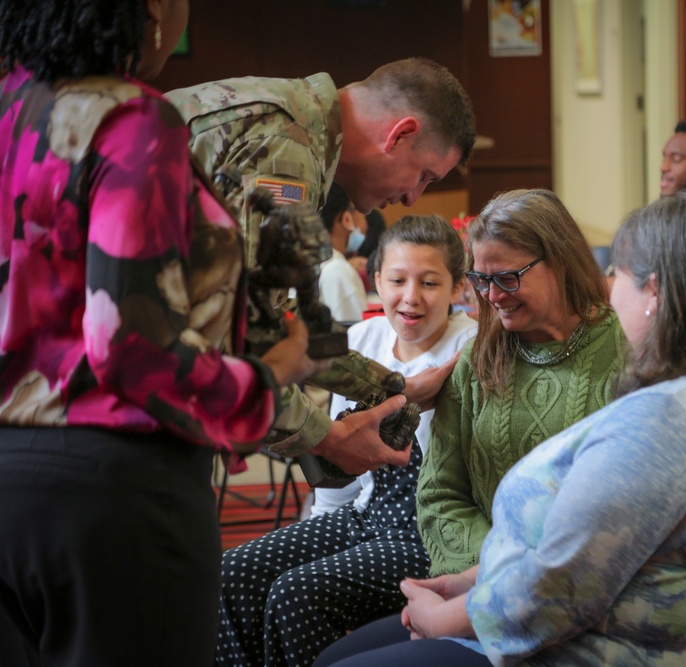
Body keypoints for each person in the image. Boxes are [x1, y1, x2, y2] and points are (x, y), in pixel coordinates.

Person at [0, 1, 355, 664]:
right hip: (114, 489)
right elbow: (129, 343)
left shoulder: (7, 109)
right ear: (154, 10)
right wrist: (270, 374)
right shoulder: (129, 119)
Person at [313, 190, 686, 667]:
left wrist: (441, 618)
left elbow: (556, 593)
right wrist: (471, 579)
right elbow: (566, 555)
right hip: (544, 615)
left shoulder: (661, 423)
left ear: (655, 292)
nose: (610, 287)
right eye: (482, 278)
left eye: (619, 272)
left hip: (576, 647)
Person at [166, 58, 477, 482]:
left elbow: (271, 324)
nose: (411, 198)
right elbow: (247, 336)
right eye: (424, 176)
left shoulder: (290, 119)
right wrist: (327, 437)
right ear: (400, 135)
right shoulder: (287, 152)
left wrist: (391, 387)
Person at [215, 215, 477, 667]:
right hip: (365, 516)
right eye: (396, 280)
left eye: (430, 283)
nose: (410, 297)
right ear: (376, 280)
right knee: (231, 573)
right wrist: (321, 527)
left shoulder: (470, 347)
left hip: (429, 534)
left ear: (458, 289)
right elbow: (342, 465)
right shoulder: (364, 338)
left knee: (296, 594)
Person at [416, 188, 628, 578]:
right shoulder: (477, 359)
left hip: (587, 586)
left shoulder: (626, 349)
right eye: (481, 279)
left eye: (509, 278)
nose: (493, 296)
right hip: (483, 579)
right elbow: (439, 494)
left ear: (561, 262)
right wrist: (498, 568)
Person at [317, 182, 368, 323]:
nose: (366, 223)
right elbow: (355, 338)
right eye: (359, 211)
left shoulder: (308, 261)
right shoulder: (338, 270)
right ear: (346, 218)